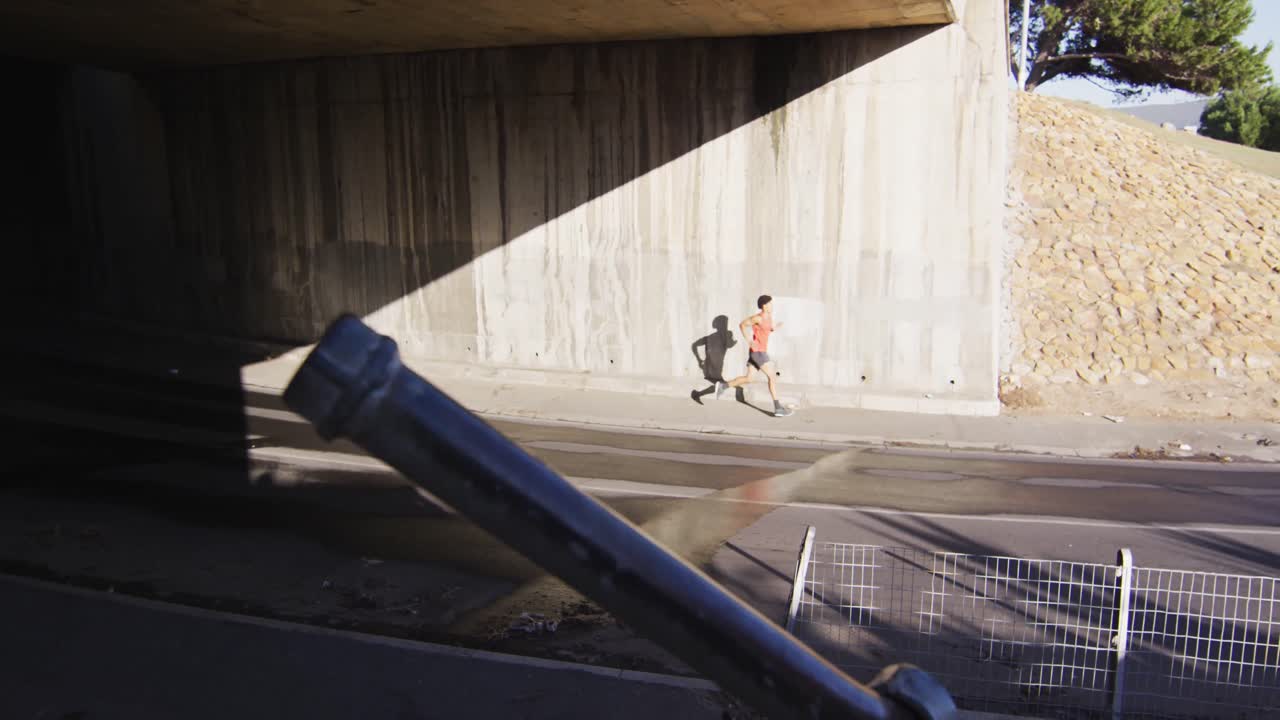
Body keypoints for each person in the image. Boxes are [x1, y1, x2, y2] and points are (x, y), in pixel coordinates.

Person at [716, 295, 793, 417]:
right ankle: (778, 408)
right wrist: (749, 340)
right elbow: (742, 324)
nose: (771, 305)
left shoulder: (768, 317)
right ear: (764, 305)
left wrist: (776, 327)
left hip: (758, 352)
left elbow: (768, 328)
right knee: (772, 377)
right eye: (769, 304)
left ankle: (723, 386)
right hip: (758, 352)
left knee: (749, 378)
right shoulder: (758, 318)